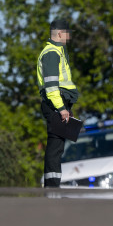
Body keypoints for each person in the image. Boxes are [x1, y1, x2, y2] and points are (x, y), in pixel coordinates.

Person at [37, 18, 79, 188]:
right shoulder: (52, 53)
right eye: (67, 33)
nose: (69, 37)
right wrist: (61, 108)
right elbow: (52, 86)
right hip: (56, 104)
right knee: (55, 148)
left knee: (57, 147)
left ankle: (53, 186)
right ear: (60, 33)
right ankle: (52, 188)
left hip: (60, 103)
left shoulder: (58, 52)